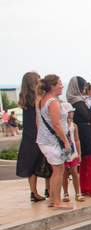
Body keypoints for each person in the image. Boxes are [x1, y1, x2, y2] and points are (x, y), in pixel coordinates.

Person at [35, 74, 72, 210]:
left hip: (45, 140)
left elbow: (38, 121)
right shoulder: (52, 102)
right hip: (53, 142)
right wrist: (66, 142)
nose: (62, 86)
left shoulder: (41, 101)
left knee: (56, 170)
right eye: (60, 83)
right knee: (58, 171)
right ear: (52, 86)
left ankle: (52, 198)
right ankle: (57, 200)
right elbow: (56, 124)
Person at [67, 76, 91, 197]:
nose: (84, 88)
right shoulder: (78, 101)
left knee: (84, 161)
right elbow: (88, 116)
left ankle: (85, 188)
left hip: (81, 131)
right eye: (83, 86)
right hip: (85, 131)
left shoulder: (73, 100)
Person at [17, 72, 49, 202]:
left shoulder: (24, 98)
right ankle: (49, 189)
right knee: (47, 162)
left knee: (31, 164)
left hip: (28, 135)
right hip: (39, 133)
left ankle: (33, 192)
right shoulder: (38, 98)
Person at [60, 102, 83, 203]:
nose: (72, 113)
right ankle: (65, 193)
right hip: (64, 152)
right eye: (70, 112)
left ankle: (78, 193)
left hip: (73, 152)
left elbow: (77, 139)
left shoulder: (73, 126)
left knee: (75, 172)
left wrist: (79, 153)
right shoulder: (60, 126)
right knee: (64, 173)